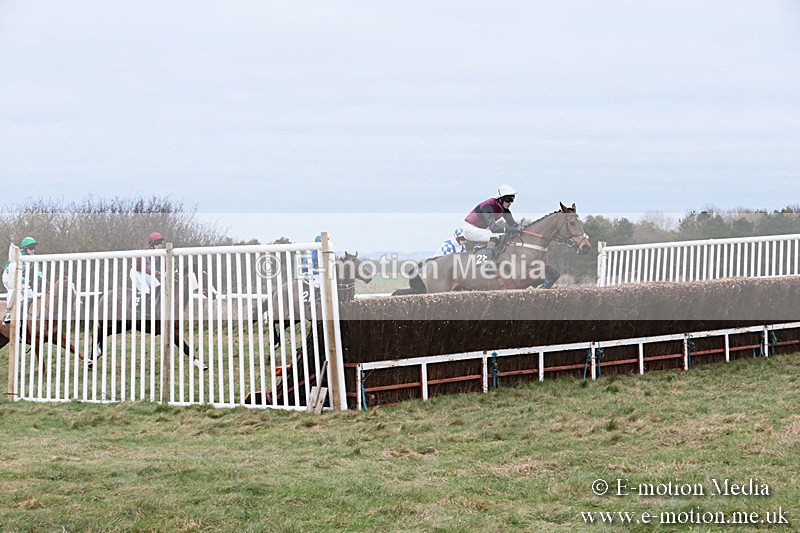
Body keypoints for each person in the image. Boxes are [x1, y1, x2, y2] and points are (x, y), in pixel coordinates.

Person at [463, 185, 522, 259]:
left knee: (504, 236)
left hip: (480, 230)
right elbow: (494, 228)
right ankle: (488, 260)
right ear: (500, 199)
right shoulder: (488, 206)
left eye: (512, 200)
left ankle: (483, 249)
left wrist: (521, 229)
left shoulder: (505, 210)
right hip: (470, 230)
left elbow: (513, 224)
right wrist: (510, 229)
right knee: (495, 235)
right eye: (508, 200)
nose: (510, 203)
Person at [3, 237, 42, 324]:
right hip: (9, 276)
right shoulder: (17, 255)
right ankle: (8, 314)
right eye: (31, 248)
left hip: (20, 278)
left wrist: (44, 280)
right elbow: (9, 269)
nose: (33, 250)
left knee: (30, 295)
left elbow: (38, 272)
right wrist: (23, 279)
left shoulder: (33, 258)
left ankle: (23, 314)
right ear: (25, 248)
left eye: (34, 248)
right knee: (19, 295)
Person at [130, 232, 164, 312]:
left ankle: (151, 303)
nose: (160, 245)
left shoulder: (158, 253)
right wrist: (159, 273)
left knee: (157, 285)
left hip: (144, 272)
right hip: (136, 272)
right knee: (145, 288)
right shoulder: (147, 252)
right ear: (152, 244)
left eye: (161, 243)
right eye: (157, 243)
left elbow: (163, 264)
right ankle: (139, 308)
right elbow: (148, 268)